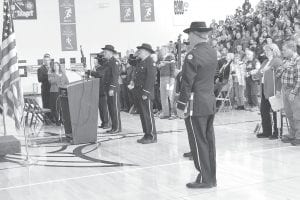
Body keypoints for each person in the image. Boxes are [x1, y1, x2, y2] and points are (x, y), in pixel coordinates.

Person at [177, 21, 217, 189]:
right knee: (208, 141)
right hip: (209, 101)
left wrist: (180, 105)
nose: (188, 38)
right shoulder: (212, 52)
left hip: (195, 104)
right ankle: (211, 177)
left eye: (189, 35)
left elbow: (187, 83)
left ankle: (204, 178)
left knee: (198, 141)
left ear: (194, 35)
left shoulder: (193, 55)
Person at [255, 43, 282, 139]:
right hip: (264, 88)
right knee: (263, 111)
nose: (265, 52)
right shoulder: (265, 61)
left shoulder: (277, 61)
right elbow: (258, 74)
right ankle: (267, 131)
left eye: (267, 50)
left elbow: (279, 77)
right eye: (265, 50)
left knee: (275, 111)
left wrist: (278, 89)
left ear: (273, 50)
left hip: (273, 89)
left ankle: (276, 132)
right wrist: (261, 71)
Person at [276, 41, 300, 146]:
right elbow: (277, 74)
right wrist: (283, 67)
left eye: (285, 50)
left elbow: (299, 79)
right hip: (285, 89)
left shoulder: (298, 60)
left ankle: (299, 136)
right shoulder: (285, 60)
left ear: (292, 49)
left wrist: (294, 92)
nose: (283, 51)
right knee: (289, 114)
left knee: (297, 115)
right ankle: (292, 134)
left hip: (294, 90)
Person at [134, 43, 157, 144]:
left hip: (145, 93)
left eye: (141, 50)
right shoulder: (142, 62)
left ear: (147, 52)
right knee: (143, 115)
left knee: (148, 114)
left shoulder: (150, 62)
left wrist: (146, 92)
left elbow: (150, 78)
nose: (139, 52)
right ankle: (146, 134)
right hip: (140, 92)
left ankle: (151, 135)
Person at [102, 45, 122, 133]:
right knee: (111, 108)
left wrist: (112, 88)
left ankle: (117, 128)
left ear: (110, 52)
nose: (104, 53)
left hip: (112, 89)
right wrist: (89, 72)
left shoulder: (115, 62)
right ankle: (114, 127)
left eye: (105, 52)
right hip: (108, 89)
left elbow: (115, 76)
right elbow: (101, 73)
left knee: (115, 108)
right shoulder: (108, 62)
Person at [88, 53, 110, 129]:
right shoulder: (99, 68)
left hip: (103, 90)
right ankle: (103, 122)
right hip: (98, 89)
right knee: (101, 108)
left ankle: (106, 123)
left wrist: (89, 72)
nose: (95, 61)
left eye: (97, 59)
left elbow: (99, 74)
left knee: (103, 108)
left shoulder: (104, 67)